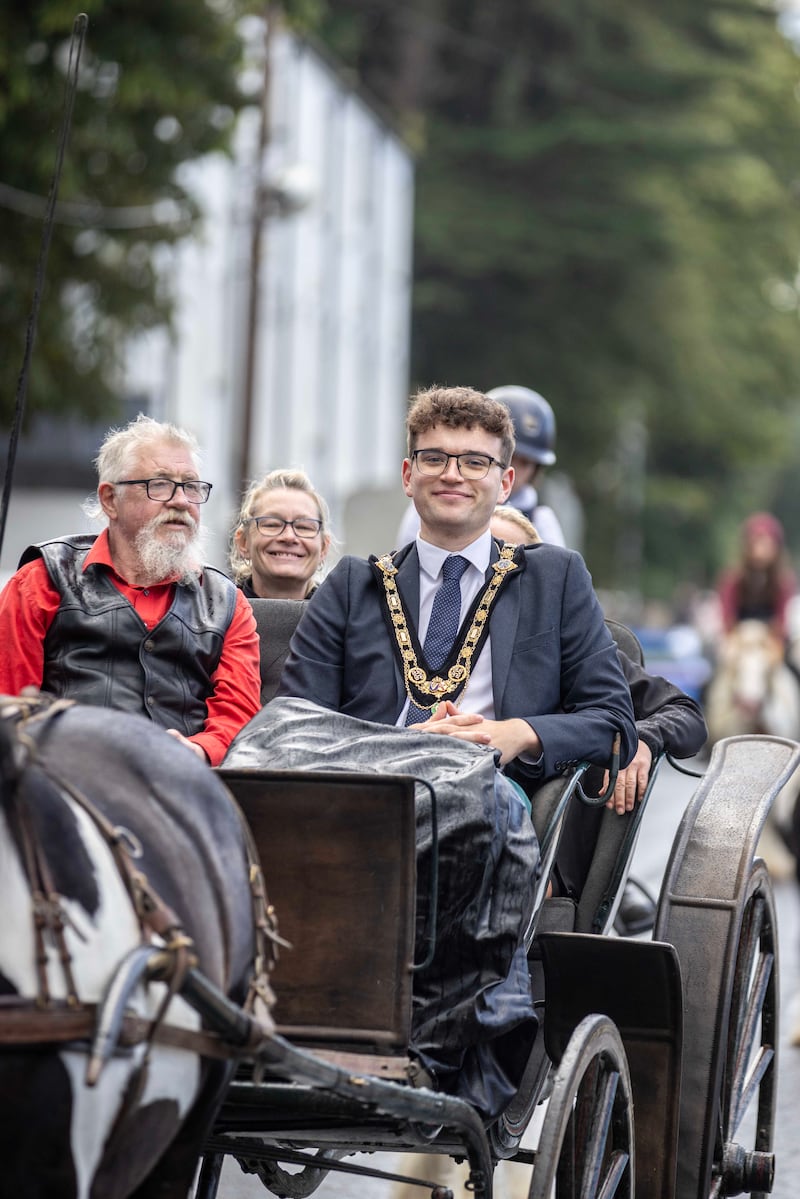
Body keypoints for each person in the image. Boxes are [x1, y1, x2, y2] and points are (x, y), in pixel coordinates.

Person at [246, 384, 637, 1117]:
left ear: (505, 480)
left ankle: (461, 1040)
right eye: (435, 457)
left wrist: (510, 734)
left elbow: (613, 720)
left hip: (492, 787)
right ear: (408, 474)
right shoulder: (353, 587)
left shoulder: (554, 579)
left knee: (476, 794)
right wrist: (394, 745)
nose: (453, 473)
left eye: (473, 461)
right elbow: (291, 719)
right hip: (364, 791)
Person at [0, 413, 261, 766]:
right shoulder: (42, 580)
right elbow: (10, 705)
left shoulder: (228, 604)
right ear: (110, 499)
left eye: (191, 486)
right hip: (64, 781)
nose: (181, 501)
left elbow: (238, 717)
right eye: (160, 485)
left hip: (182, 786)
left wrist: (197, 750)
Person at [487, 505, 707, 901]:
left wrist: (640, 737)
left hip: (546, 854)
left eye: (510, 560)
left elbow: (686, 714)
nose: (496, 572)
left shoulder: (577, 646)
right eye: (486, 557)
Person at [395, 384, 566, 548]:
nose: (452, 476)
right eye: (435, 459)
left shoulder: (541, 519)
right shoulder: (429, 505)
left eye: (526, 463)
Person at [230, 468, 332, 600]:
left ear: (323, 548)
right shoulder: (214, 616)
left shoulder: (344, 619)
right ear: (243, 542)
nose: (289, 537)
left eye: (303, 527)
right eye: (272, 524)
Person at [716, 512, 796, 642]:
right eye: (757, 542)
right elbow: (727, 620)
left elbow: (781, 624)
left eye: (767, 544)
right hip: (739, 640)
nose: (761, 549)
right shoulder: (732, 580)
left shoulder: (782, 582)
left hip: (770, 642)